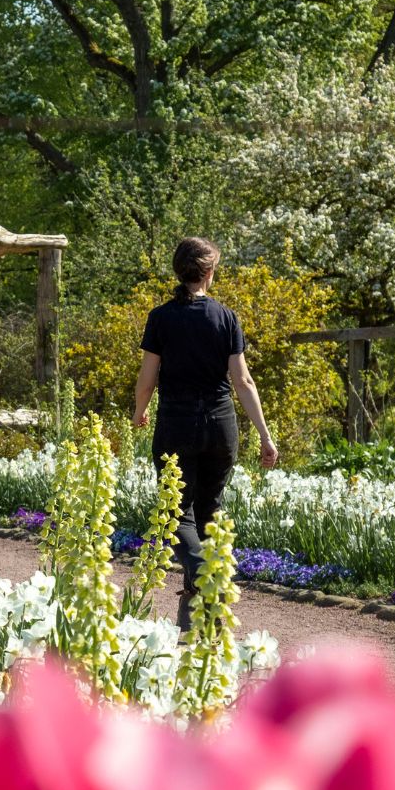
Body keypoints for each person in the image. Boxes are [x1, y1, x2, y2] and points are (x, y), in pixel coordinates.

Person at [131, 237, 277, 632]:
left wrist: (140, 411)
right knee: (209, 514)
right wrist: (264, 434)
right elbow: (243, 380)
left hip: (177, 423)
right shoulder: (226, 317)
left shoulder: (160, 318)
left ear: (179, 271)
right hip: (221, 425)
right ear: (210, 272)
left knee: (176, 512)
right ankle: (200, 615)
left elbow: (148, 379)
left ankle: (204, 576)